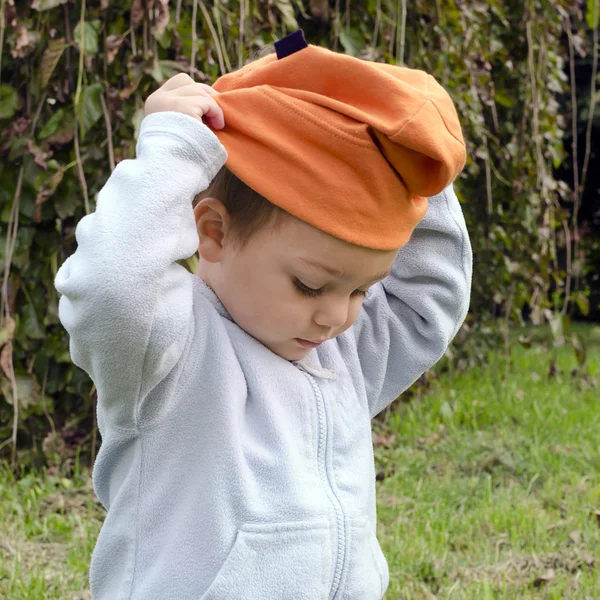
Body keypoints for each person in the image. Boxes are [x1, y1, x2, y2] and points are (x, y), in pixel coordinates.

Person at [55, 29, 472, 600]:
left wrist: (409, 170)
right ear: (214, 232)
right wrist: (173, 146)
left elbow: (430, 300)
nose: (337, 317)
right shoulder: (167, 351)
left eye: (362, 290)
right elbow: (110, 283)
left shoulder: (343, 357)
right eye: (310, 285)